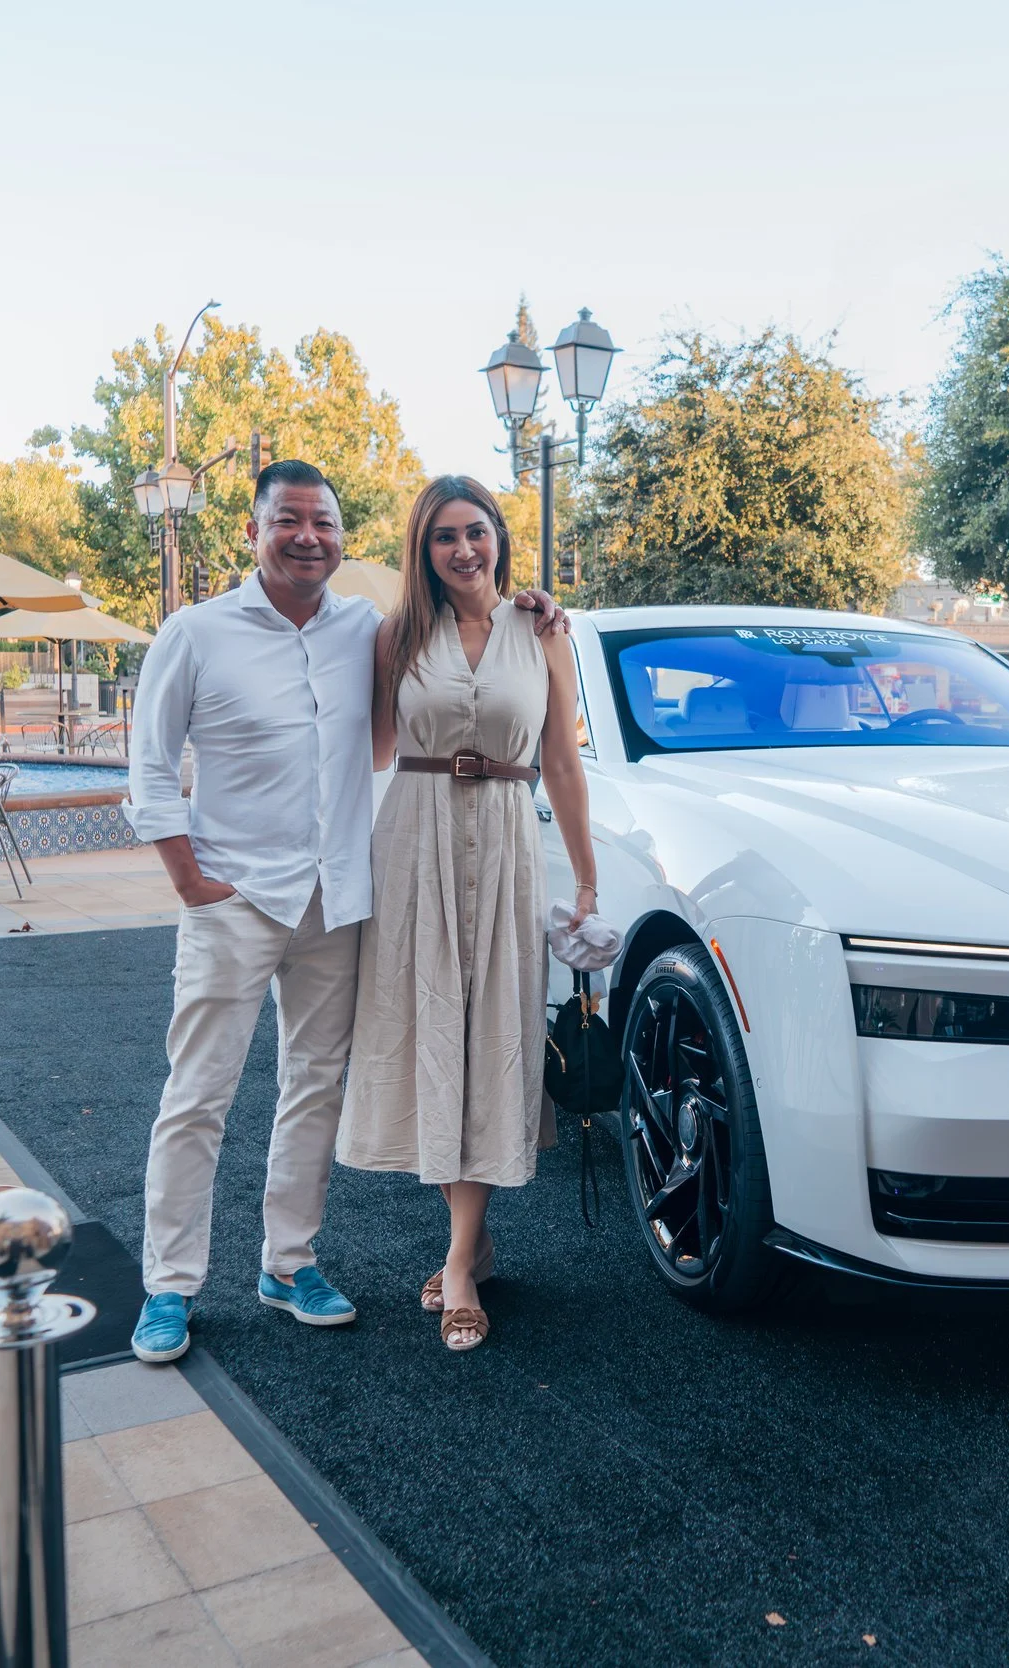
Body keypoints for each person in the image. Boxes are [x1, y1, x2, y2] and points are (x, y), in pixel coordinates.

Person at [122, 459, 561, 1364]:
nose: (308, 536)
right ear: (254, 531)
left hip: (337, 895)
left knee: (313, 1086)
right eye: (289, 520)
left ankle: (288, 1264)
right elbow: (150, 770)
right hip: (233, 896)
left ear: (343, 536)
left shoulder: (369, 628)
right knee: (197, 1096)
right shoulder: (195, 633)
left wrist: (539, 604)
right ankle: (168, 1285)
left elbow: (467, 641)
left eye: (322, 521)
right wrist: (189, 880)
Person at [338, 475, 596, 1352]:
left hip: (507, 846)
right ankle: (467, 1253)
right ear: (424, 548)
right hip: (412, 845)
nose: (462, 549)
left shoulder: (544, 631)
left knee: (493, 1030)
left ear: (499, 538)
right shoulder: (394, 636)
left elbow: (562, 763)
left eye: (475, 531)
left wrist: (589, 881)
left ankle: (459, 1254)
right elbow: (362, 750)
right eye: (444, 535)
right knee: (431, 1031)